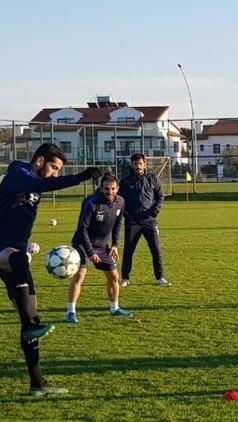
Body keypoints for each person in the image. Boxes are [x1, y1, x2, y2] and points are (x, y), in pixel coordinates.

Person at [0, 143, 100, 395]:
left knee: (30, 321)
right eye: (53, 168)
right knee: (20, 259)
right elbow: (39, 185)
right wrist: (80, 177)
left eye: (59, 170)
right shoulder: (18, 172)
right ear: (39, 160)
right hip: (2, 249)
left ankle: (37, 384)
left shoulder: (34, 181)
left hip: (14, 254)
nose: (55, 173)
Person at [67, 173, 132, 323]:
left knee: (114, 276)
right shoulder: (91, 203)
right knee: (80, 274)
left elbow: (117, 225)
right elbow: (82, 229)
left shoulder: (120, 202)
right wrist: (90, 253)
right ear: (101, 188)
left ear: (117, 188)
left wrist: (115, 244)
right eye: (106, 189)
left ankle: (114, 308)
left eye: (112, 188)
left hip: (102, 246)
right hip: (82, 244)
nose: (109, 192)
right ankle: (71, 312)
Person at [119, 153, 169, 287]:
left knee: (156, 249)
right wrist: (127, 215)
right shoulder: (125, 181)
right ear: (132, 165)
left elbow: (160, 196)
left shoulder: (152, 179)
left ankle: (159, 277)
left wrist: (155, 210)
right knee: (129, 250)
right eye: (135, 164)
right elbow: (120, 201)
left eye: (140, 163)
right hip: (133, 222)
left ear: (145, 164)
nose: (138, 166)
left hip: (149, 221)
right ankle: (125, 278)